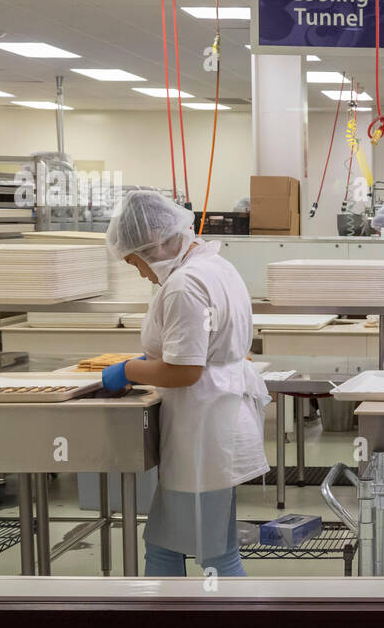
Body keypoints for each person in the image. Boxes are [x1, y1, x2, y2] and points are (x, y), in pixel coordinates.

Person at [102, 191, 270, 577]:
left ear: (154, 245)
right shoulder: (216, 267)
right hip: (213, 418)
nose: (142, 273)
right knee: (166, 541)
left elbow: (186, 371)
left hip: (204, 428)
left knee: (215, 551)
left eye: (137, 262)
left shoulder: (185, 285)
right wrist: (153, 363)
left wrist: (128, 370)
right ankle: (163, 627)